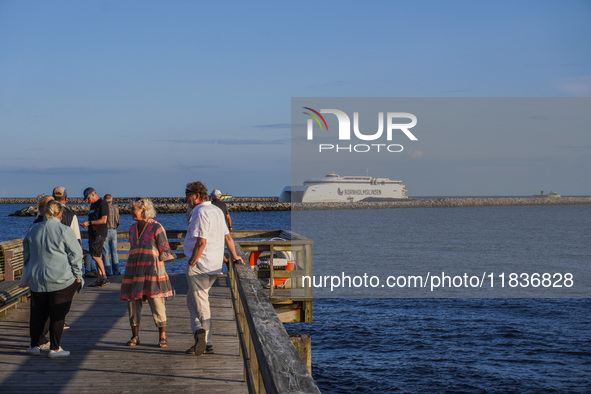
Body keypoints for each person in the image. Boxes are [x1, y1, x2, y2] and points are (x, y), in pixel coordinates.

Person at [184, 182, 244, 356]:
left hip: (200, 265)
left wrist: (191, 262)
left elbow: (201, 242)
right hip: (214, 265)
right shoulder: (217, 211)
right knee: (191, 300)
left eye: (187, 193)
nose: (185, 197)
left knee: (201, 302)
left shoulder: (200, 212)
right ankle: (198, 333)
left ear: (196, 195)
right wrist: (233, 256)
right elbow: (228, 237)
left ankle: (207, 342)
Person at [23, 200, 83, 358]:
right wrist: (78, 276)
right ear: (59, 213)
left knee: (38, 313)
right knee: (58, 315)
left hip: (37, 279)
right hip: (60, 279)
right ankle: (55, 348)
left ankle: (33, 346)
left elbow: (26, 253)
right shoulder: (64, 230)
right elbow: (76, 254)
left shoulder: (33, 229)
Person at [120, 198, 175, 348]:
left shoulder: (156, 227)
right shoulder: (132, 228)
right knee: (133, 304)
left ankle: (162, 336)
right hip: (134, 269)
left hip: (152, 270)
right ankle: (135, 336)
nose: (131, 212)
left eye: (134, 209)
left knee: (157, 303)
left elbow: (165, 249)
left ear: (143, 210)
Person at [80, 188, 109, 287]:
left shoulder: (102, 203)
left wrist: (89, 223)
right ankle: (99, 278)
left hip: (99, 233)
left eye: (88, 198)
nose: (88, 201)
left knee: (95, 256)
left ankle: (104, 276)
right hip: (92, 233)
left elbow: (104, 220)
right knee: (97, 255)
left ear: (93, 194)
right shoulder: (93, 205)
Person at [101, 194, 120, 275]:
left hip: (105, 231)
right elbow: (118, 221)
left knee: (105, 252)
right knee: (114, 252)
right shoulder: (116, 209)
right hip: (113, 230)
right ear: (112, 200)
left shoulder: (103, 209)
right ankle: (116, 271)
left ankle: (108, 272)